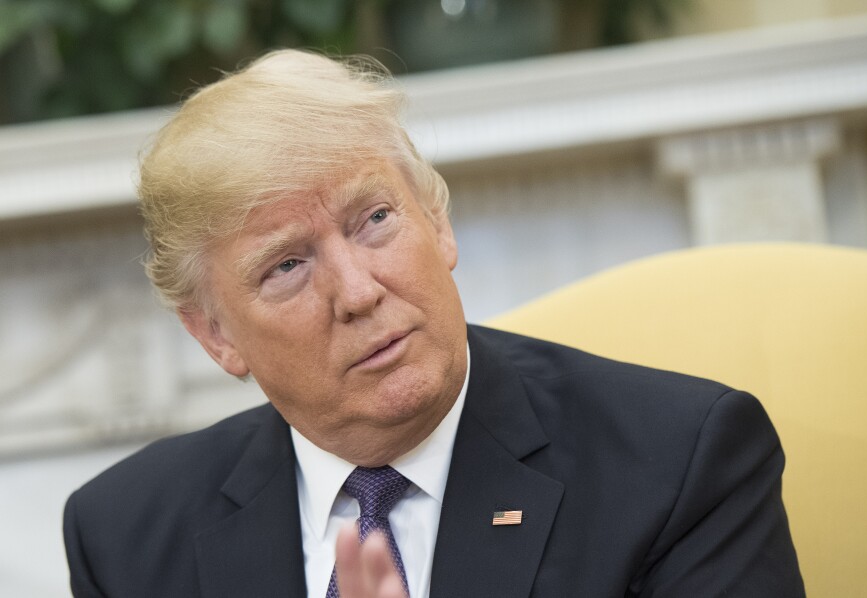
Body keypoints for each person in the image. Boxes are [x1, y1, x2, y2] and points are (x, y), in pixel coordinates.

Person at [63, 50, 805, 598]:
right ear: (215, 335)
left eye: (374, 219)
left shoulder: (679, 465)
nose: (358, 292)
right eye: (286, 265)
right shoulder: (125, 538)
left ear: (437, 221)